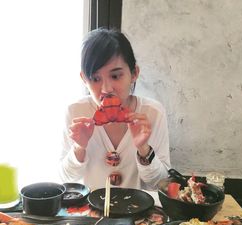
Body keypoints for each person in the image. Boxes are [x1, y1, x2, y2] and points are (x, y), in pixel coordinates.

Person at [59, 28, 171, 191]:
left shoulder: (152, 113)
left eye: (115, 76)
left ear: (134, 74)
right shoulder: (76, 112)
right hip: (91, 213)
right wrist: (79, 148)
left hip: (137, 212)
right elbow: (66, 179)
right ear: (84, 79)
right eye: (95, 78)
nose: (106, 89)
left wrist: (144, 150)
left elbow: (161, 183)